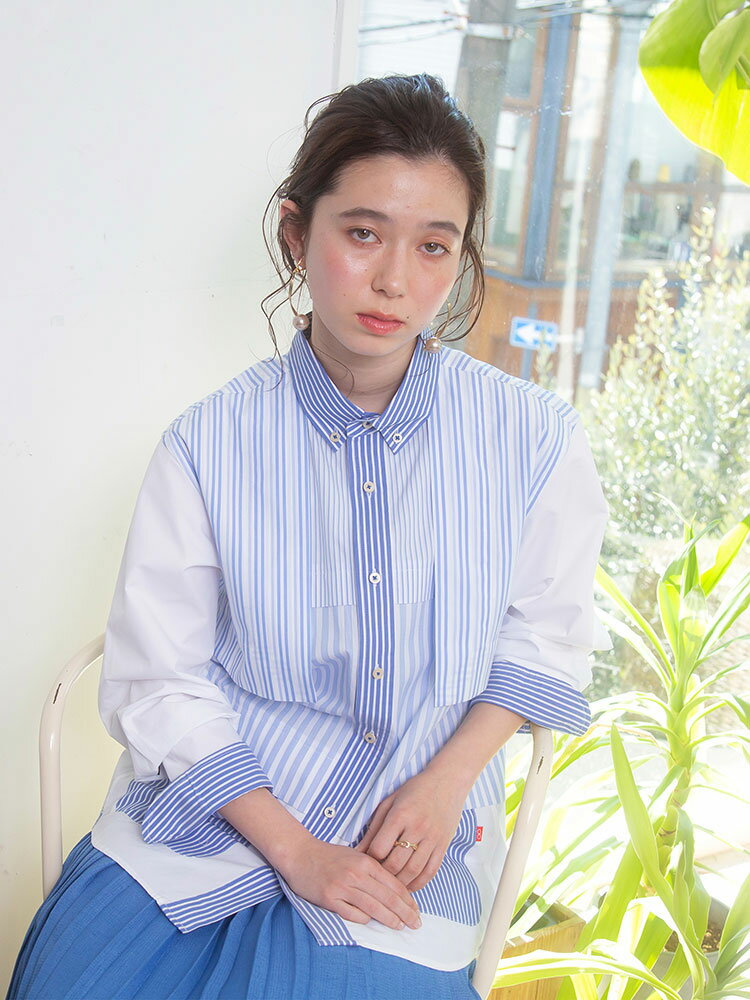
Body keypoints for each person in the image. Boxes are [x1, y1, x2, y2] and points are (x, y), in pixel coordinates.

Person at [6, 72, 611, 1000]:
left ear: (459, 258)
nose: (395, 280)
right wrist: (296, 851)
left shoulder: (534, 439)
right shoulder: (207, 443)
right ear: (297, 233)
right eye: (363, 233)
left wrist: (447, 784)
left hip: (408, 850)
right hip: (207, 828)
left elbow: (547, 638)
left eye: (433, 245)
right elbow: (159, 679)